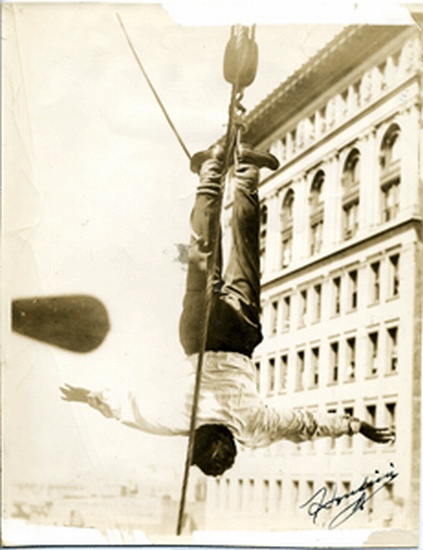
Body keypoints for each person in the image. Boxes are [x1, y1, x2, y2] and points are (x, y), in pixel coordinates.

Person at [60, 143, 395, 477]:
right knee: (202, 256)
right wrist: (92, 397)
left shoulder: (252, 426)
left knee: (244, 253)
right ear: (195, 440)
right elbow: (129, 409)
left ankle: (245, 172)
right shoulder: (181, 418)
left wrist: (355, 426)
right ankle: (211, 171)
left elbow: (306, 424)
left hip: (238, 338)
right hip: (198, 337)